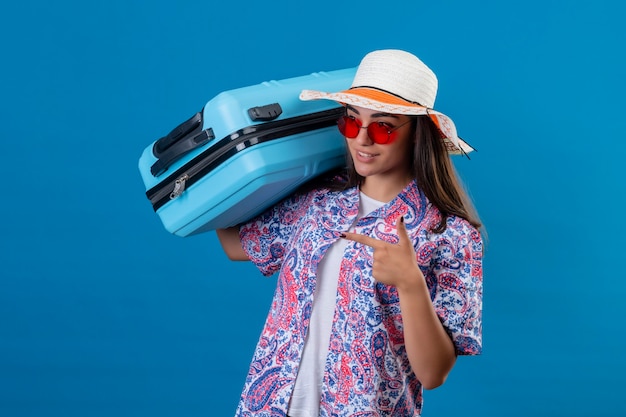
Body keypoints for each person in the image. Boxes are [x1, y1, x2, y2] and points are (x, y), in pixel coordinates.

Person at [216, 49, 483, 417]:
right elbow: (235, 244)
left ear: (418, 134)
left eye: (382, 126)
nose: (362, 139)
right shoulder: (317, 202)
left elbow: (434, 373)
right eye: (352, 122)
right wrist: (218, 176)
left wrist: (410, 284)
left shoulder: (451, 235)